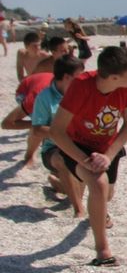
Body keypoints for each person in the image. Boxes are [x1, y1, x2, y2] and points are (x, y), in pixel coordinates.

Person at [49, 46, 127, 266]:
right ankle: (103, 251)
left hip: (108, 147)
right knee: (98, 184)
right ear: (113, 77)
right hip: (77, 146)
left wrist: (108, 156)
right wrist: (84, 160)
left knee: (107, 194)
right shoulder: (81, 86)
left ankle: (99, 212)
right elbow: (56, 131)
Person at [31, 56, 86, 216]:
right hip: (52, 148)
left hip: (78, 143)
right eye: (79, 76)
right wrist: (61, 133)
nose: (83, 80)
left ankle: (60, 185)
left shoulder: (81, 94)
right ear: (67, 77)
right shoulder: (45, 97)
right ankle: (78, 208)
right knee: (65, 159)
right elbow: (37, 130)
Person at [2, 70, 54, 166]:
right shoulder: (37, 98)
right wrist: (37, 125)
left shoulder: (69, 91)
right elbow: (6, 124)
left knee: (46, 123)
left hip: (41, 81)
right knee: (40, 125)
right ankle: (29, 156)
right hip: (23, 92)